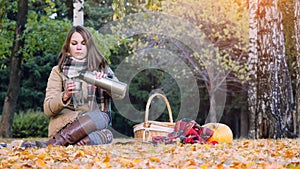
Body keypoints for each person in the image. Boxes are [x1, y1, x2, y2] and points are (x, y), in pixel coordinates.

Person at [23, 25, 120, 148]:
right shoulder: (58, 71)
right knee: (99, 118)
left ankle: (56, 145)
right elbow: (48, 109)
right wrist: (65, 95)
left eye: (83, 43)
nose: (79, 47)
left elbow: (119, 94)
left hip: (94, 124)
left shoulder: (101, 68)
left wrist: (105, 82)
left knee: (106, 132)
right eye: (74, 43)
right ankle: (56, 143)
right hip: (66, 125)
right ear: (68, 46)